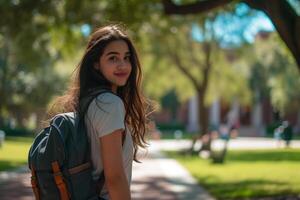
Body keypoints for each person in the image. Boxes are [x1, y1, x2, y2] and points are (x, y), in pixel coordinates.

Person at [48, 24, 150, 200]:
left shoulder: (88, 101)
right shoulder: (110, 104)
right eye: (113, 58)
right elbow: (115, 178)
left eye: (127, 58)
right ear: (96, 63)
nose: (123, 65)